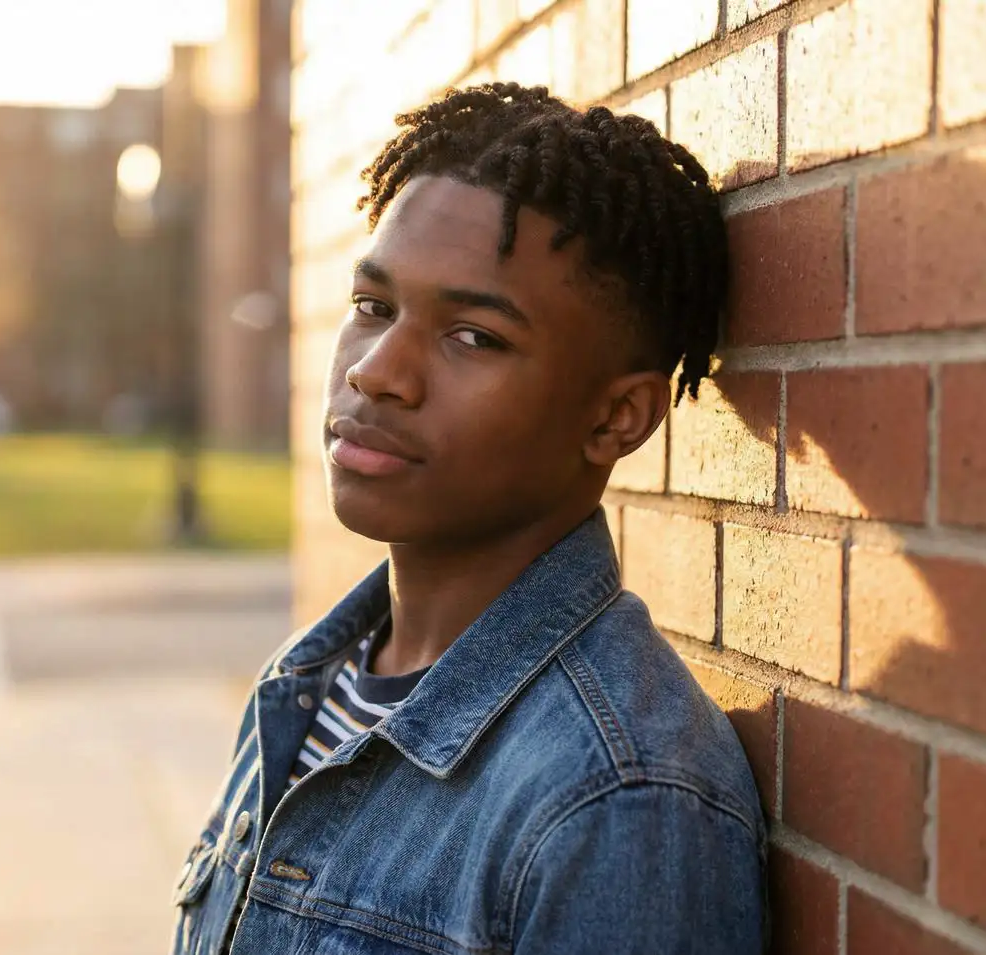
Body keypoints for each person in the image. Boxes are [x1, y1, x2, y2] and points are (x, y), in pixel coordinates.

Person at [171, 82, 765, 954]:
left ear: (616, 417)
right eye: (374, 307)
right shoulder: (306, 681)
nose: (377, 371)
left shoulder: (616, 797)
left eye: (474, 337)